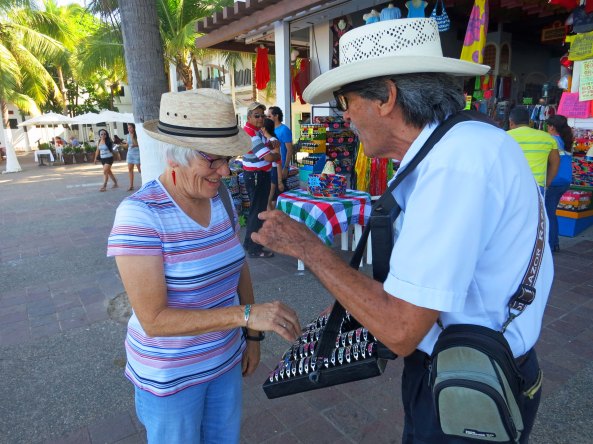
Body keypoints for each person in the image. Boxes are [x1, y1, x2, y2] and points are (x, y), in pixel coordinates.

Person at [251, 18, 553, 443]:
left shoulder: (455, 164)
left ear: (386, 97)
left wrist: (311, 248)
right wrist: (355, 299)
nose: (346, 117)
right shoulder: (459, 145)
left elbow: (401, 329)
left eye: (346, 101)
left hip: (470, 382)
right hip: (473, 367)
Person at [107, 88, 300, 444]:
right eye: (213, 160)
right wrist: (245, 316)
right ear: (174, 158)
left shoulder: (219, 198)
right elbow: (154, 320)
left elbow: (238, 265)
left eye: (228, 159)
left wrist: (251, 337)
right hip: (171, 377)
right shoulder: (140, 215)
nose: (225, 171)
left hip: (224, 361)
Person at [242, 102, 279, 258]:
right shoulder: (252, 134)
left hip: (257, 175)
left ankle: (250, 244)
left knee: (257, 211)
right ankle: (253, 248)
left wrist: (271, 147)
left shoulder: (256, 132)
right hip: (257, 176)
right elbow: (270, 155)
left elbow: (270, 145)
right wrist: (277, 155)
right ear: (249, 117)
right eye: (257, 115)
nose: (261, 118)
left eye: (263, 115)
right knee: (257, 213)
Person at [508, 106, 560, 195]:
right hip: (537, 186)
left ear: (511, 123)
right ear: (529, 122)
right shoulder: (547, 137)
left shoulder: (504, 137)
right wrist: (546, 183)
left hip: (510, 186)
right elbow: (555, 163)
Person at [545, 114, 574, 252]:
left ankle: (551, 243)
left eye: (548, 125)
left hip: (554, 181)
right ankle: (554, 242)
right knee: (551, 211)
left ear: (552, 127)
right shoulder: (566, 140)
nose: (547, 128)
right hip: (565, 181)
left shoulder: (551, 140)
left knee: (549, 213)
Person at [267, 106, 293, 191]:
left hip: (281, 167)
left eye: (269, 116)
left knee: (280, 191)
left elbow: (289, 150)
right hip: (271, 166)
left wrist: (285, 168)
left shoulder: (284, 130)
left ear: (276, 116)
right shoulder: (269, 129)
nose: (267, 118)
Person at [261, 118, 283, 210]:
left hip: (273, 171)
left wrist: (280, 181)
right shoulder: (264, 140)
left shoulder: (273, 140)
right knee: (269, 200)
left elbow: (278, 161)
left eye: (261, 126)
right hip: (267, 171)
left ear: (264, 128)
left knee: (268, 200)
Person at [124, 123, 141, 191]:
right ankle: (131, 185)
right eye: (128, 128)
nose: (129, 129)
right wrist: (120, 144)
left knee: (140, 170)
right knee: (130, 170)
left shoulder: (137, 134)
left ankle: (144, 183)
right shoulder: (127, 135)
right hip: (130, 154)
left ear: (134, 128)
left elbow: (139, 144)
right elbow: (127, 145)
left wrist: (135, 144)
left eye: (130, 127)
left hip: (137, 153)